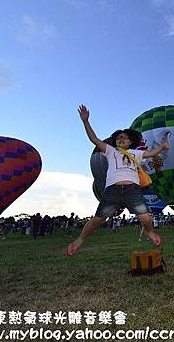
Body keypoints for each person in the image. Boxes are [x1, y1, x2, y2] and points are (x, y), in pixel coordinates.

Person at [66, 105, 165, 256]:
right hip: (113, 190)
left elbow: (151, 153)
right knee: (98, 219)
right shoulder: (110, 151)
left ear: (130, 141)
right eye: (118, 138)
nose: (121, 139)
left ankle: (150, 233)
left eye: (124, 138)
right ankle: (79, 240)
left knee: (144, 216)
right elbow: (94, 139)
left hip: (132, 189)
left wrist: (163, 146)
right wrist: (86, 121)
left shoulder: (135, 153)